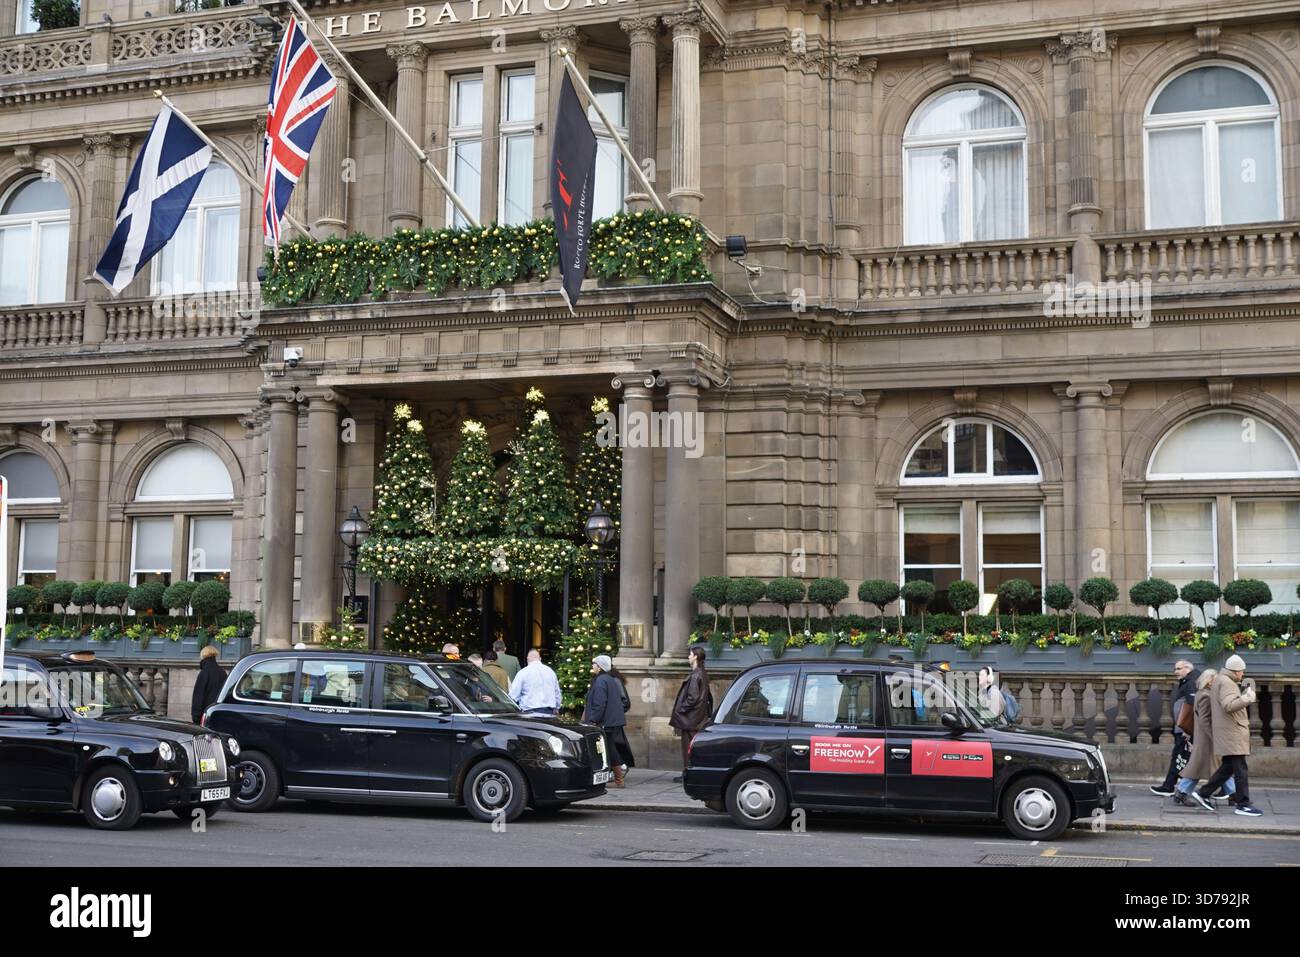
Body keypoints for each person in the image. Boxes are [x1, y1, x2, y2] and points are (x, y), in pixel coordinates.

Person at [1195, 655, 1263, 817]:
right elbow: (1229, 705)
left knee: (1228, 768)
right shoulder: (1227, 683)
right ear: (1236, 671)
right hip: (1232, 732)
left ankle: (1204, 793)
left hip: (1227, 732)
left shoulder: (1220, 680)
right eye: (1242, 671)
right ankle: (1243, 804)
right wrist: (1247, 698)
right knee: (1240, 770)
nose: (1243, 675)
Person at [1175, 669, 1237, 807]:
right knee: (1205, 767)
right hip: (1207, 738)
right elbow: (1204, 720)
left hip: (1205, 738)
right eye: (1215, 679)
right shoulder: (1206, 696)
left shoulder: (1204, 694)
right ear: (1209, 681)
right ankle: (1182, 792)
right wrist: (1214, 737)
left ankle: (1234, 793)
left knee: (1216, 766)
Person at [583, 655, 635, 788]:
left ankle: (618, 779)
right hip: (611, 721)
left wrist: (593, 720)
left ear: (600, 667)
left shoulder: (601, 681)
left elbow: (599, 703)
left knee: (608, 749)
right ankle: (615, 778)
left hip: (605, 722)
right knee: (608, 748)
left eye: (594, 664)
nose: (592, 666)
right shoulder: (609, 679)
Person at [1151, 659, 1200, 796]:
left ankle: (1169, 786)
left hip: (1186, 728)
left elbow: (1191, 706)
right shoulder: (1189, 680)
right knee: (1181, 756)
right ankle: (1230, 790)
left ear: (1188, 669)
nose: (1175, 672)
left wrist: (1186, 730)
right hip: (1186, 727)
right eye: (1175, 669)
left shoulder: (1191, 682)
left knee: (1180, 756)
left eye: (1178, 669)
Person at [669, 647, 713, 783]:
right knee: (695, 747)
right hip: (698, 718)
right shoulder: (703, 673)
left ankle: (688, 774)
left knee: (688, 747)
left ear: (695, 657)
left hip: (690, 719)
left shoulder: (695, 675)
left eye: (690, 655)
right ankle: (695, 773)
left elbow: (692, 698)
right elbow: (708, 697)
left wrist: (680, 710)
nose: (688, 657)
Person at [509, 649, 562, 717]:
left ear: (528, 659)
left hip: (529, 713)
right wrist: (557, 708)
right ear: (540, 659)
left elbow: (513, 695)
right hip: (549, 713)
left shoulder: (523, 672)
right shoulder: (550, 672)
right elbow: (557, 693)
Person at [190, 644, 225, 724]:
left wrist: (195, 716)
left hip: (205, 714)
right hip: (218, 712)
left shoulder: (204, 673)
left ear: (203, 656)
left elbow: (198, 696)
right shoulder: (222, 672)